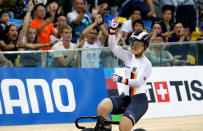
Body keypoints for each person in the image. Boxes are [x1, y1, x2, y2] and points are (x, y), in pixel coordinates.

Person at [97, 14, 152, 131]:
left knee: (124, 125)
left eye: (136, 44)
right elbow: (112, 46)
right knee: (102, 107)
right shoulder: (128, 57)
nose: (133, 46)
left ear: (144, 47)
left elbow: (137, 83)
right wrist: (112, 30)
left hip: (139, 100)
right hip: (125, 97)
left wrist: (121, 79)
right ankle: (107, 129)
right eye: (131, 42)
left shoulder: (146, 63)